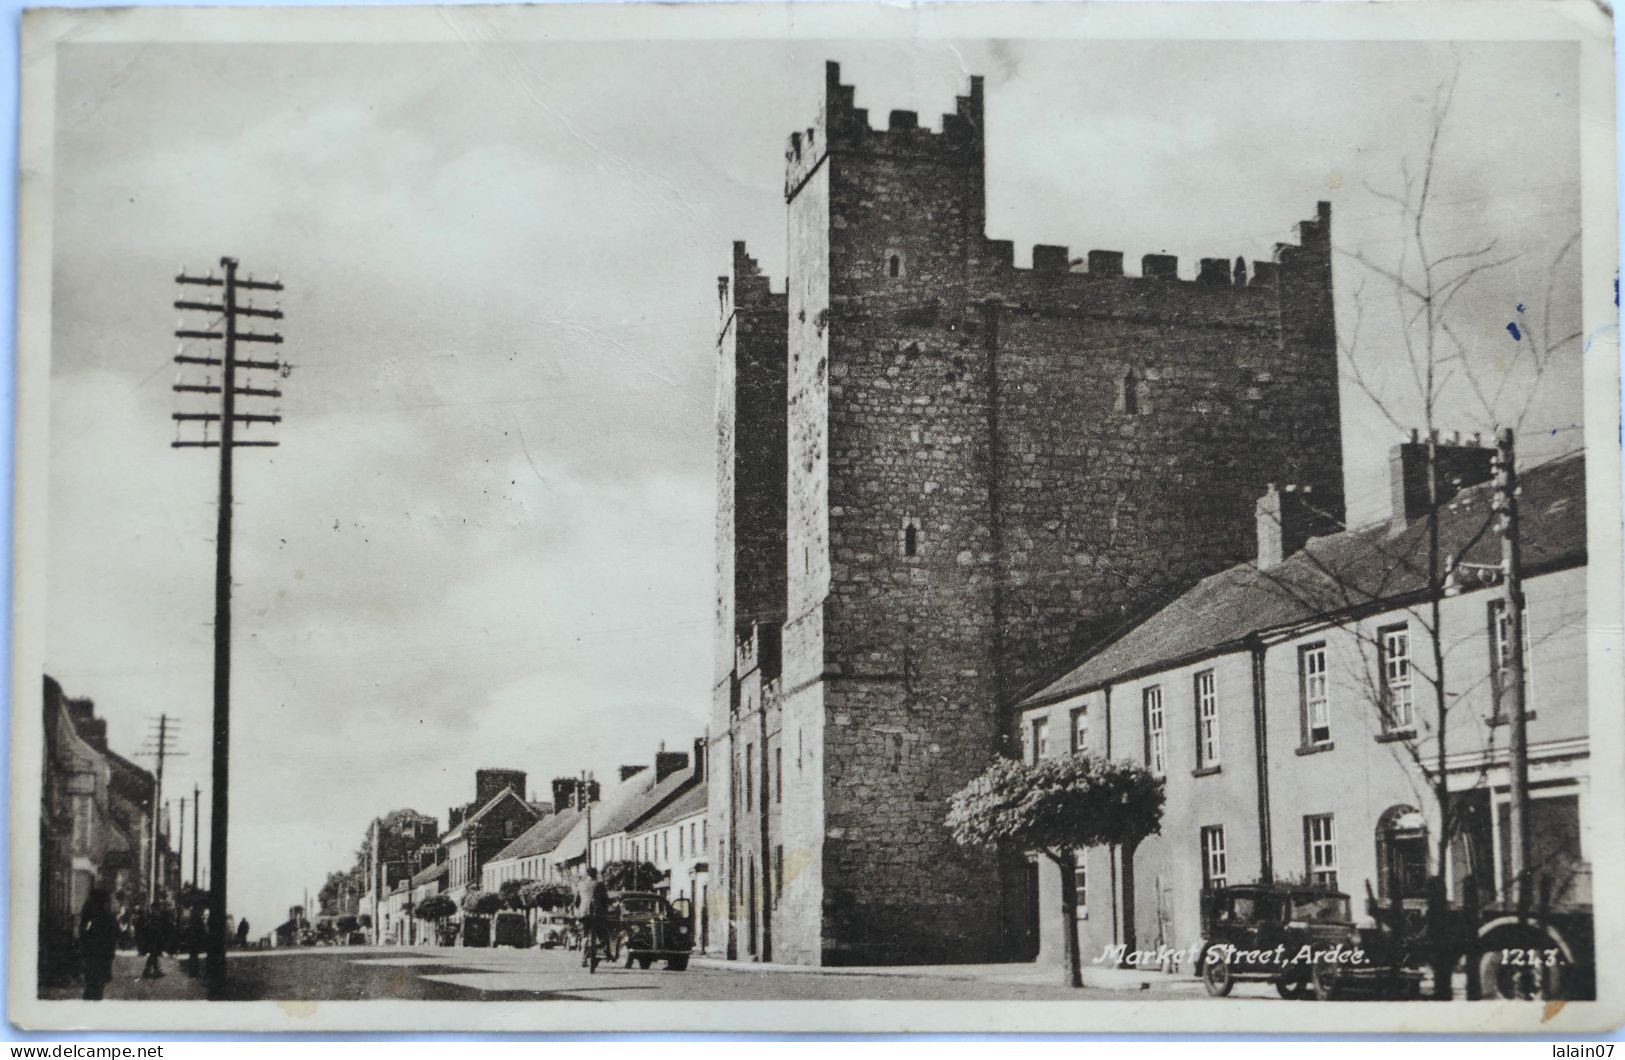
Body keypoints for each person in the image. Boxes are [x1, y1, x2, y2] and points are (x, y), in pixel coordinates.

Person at [78, 889, 118, 1000]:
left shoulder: (92, 915)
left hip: (93, 953)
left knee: (92, 983)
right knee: (97, 984)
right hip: (102, 954)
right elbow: (115, 933)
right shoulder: (108, 916)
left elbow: (82, 931)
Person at [577, 868, 612, 973]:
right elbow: (605, 900)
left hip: (584, 914)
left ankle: (584, 958)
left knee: (584, 935)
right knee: (603, 935)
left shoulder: (581, 884)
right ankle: (603, 951)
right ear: (596, 874)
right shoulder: (599, 884)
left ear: (586, 874)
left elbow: (576, 901)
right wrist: (606, 909)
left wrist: (579, 910)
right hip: (597, 914)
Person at [139, 899, 170, 980]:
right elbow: (155, 925)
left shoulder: (152, 915)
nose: (157, 910)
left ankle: (156, 970)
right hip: (154, 936)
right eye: (156, 908)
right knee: (153, 954)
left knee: (154, 954)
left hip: (155, 936)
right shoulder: (153, 915)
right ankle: (147, 971)